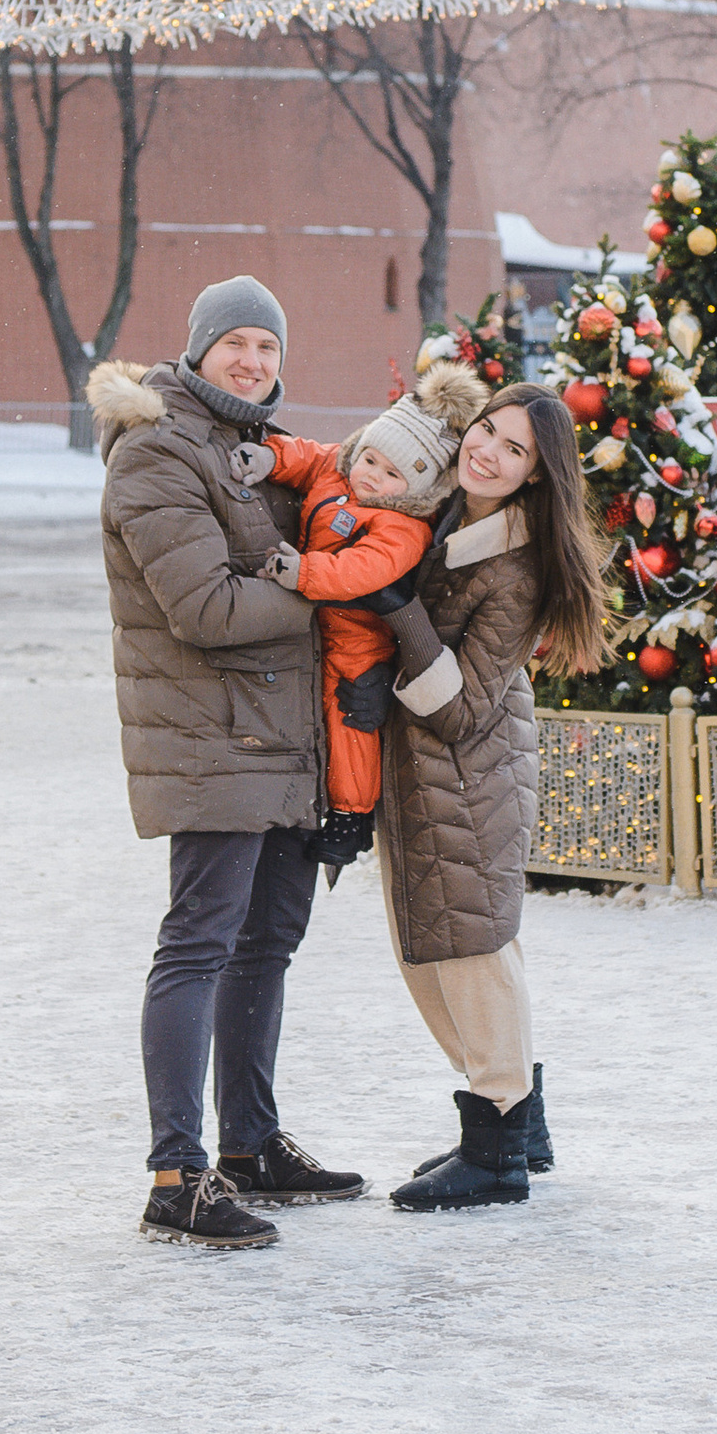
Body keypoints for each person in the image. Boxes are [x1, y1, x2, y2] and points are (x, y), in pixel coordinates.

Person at [87, 276, 368, 1254]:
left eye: (267, 344)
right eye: (236, 342)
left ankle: (249, 1144)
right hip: (212, 738)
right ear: (199, 347)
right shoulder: (161, 445)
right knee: (201, 940)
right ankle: (176, 1170)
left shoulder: (248, 454)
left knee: (267, 941)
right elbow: (205, 608)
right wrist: (333, 596)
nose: (253, 359)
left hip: (279, 738)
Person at [344, 382, 610, 1212]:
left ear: (535, 476)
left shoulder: (517, 565)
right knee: (446, 949)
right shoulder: (451, 514)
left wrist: (398, 613)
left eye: (512, 448)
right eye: (486, 428)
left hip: (470, 774)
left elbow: (460, 707)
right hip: (425, 777)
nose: (486, 450)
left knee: (472, 954)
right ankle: (516, 1125)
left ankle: (496, 1147)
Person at [259, 360, 487, 870]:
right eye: (371, 461)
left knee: (350, 725)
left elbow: (362, 571)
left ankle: (351, 817)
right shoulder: (338, 471)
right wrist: (268, 458)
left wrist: (302, 573)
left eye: (392, 475)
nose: (373, 478)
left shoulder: (404, 528)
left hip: (360, 641)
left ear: (415, 489)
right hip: (316, 629)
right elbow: (306, 455)